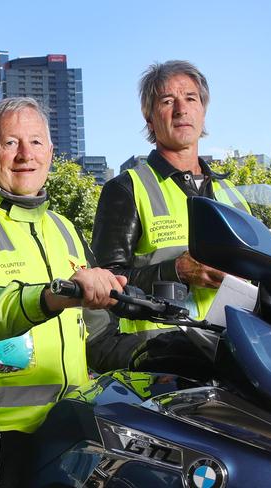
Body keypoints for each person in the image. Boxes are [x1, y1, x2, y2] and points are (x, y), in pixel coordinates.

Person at [0, 97, 126, 487]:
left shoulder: (65, 228)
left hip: (71, 434)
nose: (25, 155)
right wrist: (46, 298)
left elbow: (97, 336)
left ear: (51, 152)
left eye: (35, 142)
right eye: (10, 143)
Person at [91, 60, 249, 343]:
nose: (181, 109)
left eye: (191, 98)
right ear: (149, 118)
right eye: (167, 101)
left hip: (235, 350)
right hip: (162, 359)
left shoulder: (233, 194)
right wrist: (175, 270)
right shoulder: (126, 189)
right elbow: (105, 285)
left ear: (203, 111)